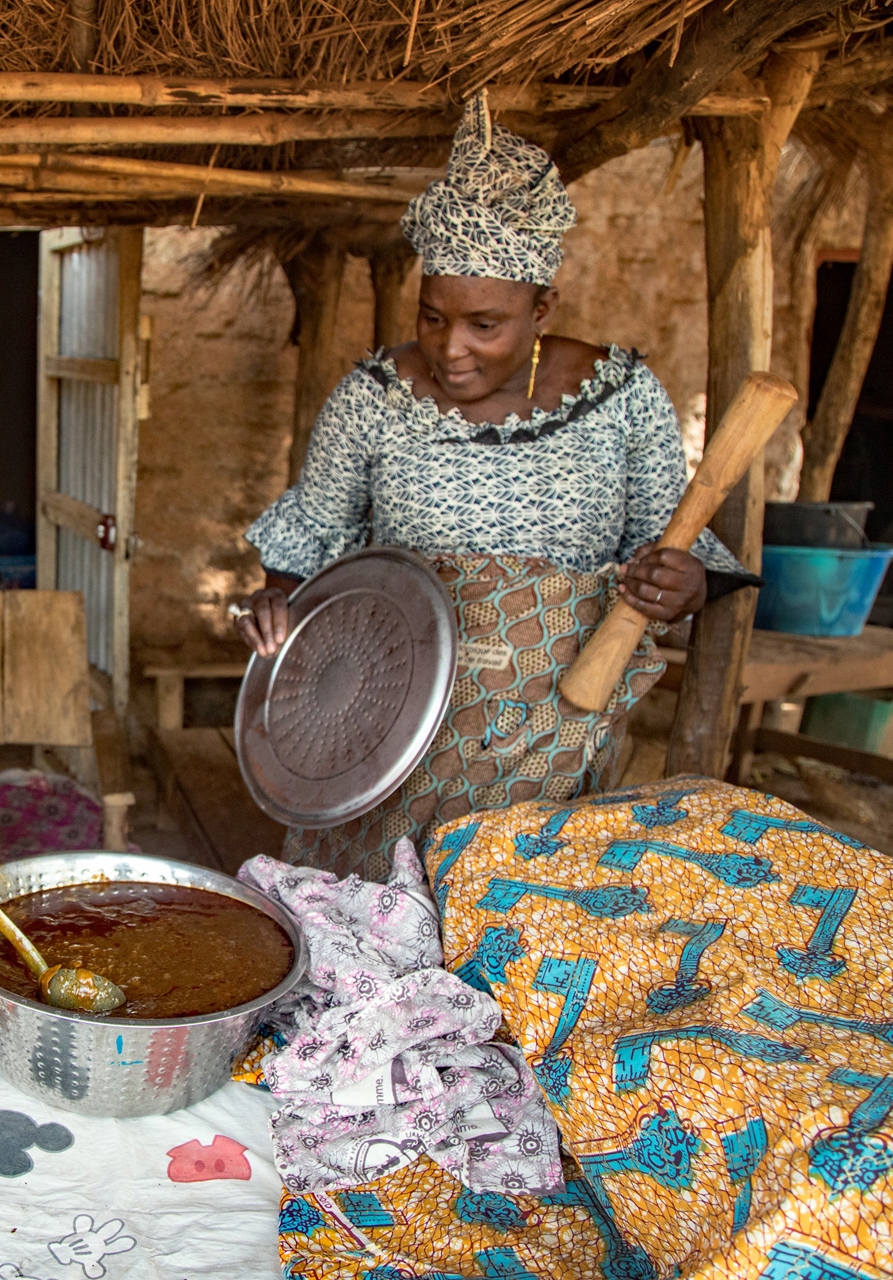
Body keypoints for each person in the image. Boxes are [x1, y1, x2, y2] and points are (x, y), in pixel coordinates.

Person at [232, 96, 751, 877]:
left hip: (556, 736)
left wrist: (686, 583)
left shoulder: (621, 399)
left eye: (485, 324)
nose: (452, 349)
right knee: (380, 918)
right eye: (433, 318)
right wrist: (278, 605)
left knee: (520, 914)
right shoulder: (372, 398)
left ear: (541, 309)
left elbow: (674, 549)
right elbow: (306, 546)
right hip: (386, 733)